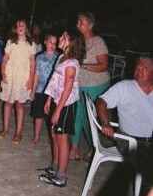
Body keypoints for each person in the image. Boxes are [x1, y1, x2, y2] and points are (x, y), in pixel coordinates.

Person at [97, 56, 153, 195]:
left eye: (143, 68)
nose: (138, 71)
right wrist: (105, 122)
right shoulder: (125, 86)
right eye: (137, 68)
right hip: (129, 140)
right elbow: (101, 101)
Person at [38, 31, 85, 188]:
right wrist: (49, 100)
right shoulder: (61, 57)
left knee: (62, 139)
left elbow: (67, 89)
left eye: (64, 37)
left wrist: (58, 110)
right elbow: (54, 81)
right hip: (56, 102)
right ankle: (54, 167)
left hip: (65, 105)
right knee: (54, 134)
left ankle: (61, 176)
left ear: (71, 43)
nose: (59, 38)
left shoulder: (71, 63)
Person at [70, 12, 109, 160]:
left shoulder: (98, 42)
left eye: (81, 22)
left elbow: (104, 66)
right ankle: (74, 148)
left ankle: (95, 147)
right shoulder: (78, 41)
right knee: (77, 116)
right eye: (78, 22)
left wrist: (83, 65)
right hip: (79, 84)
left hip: (96, 84)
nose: (78, 25)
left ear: (90, 25)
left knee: (90, 118)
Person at [0, 19, 36, 144]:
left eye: (23, 25)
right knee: (8, 102)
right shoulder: (10, 42)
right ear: (15, 28)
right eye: (18, 25)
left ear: (26, 29)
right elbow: (5, 58)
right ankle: (5, 128)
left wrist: (30, 78)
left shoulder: (31, 44)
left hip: (22, 78)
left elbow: (33, 63)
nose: (20, 27)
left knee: (19, 104)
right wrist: (2, 72)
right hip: (10, 76)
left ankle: (18, 132)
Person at [31, 34, 59, 144]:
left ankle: (53, 138)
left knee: (51, 116)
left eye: (54, 43)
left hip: (52, 92)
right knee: (38, 114)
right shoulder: (39, 57)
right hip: (40, 90)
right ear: (45, 42)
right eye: (50, 42)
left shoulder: (58, 57)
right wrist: (33, 90)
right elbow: (36, 75)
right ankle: (36, 136)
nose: (52, 45)